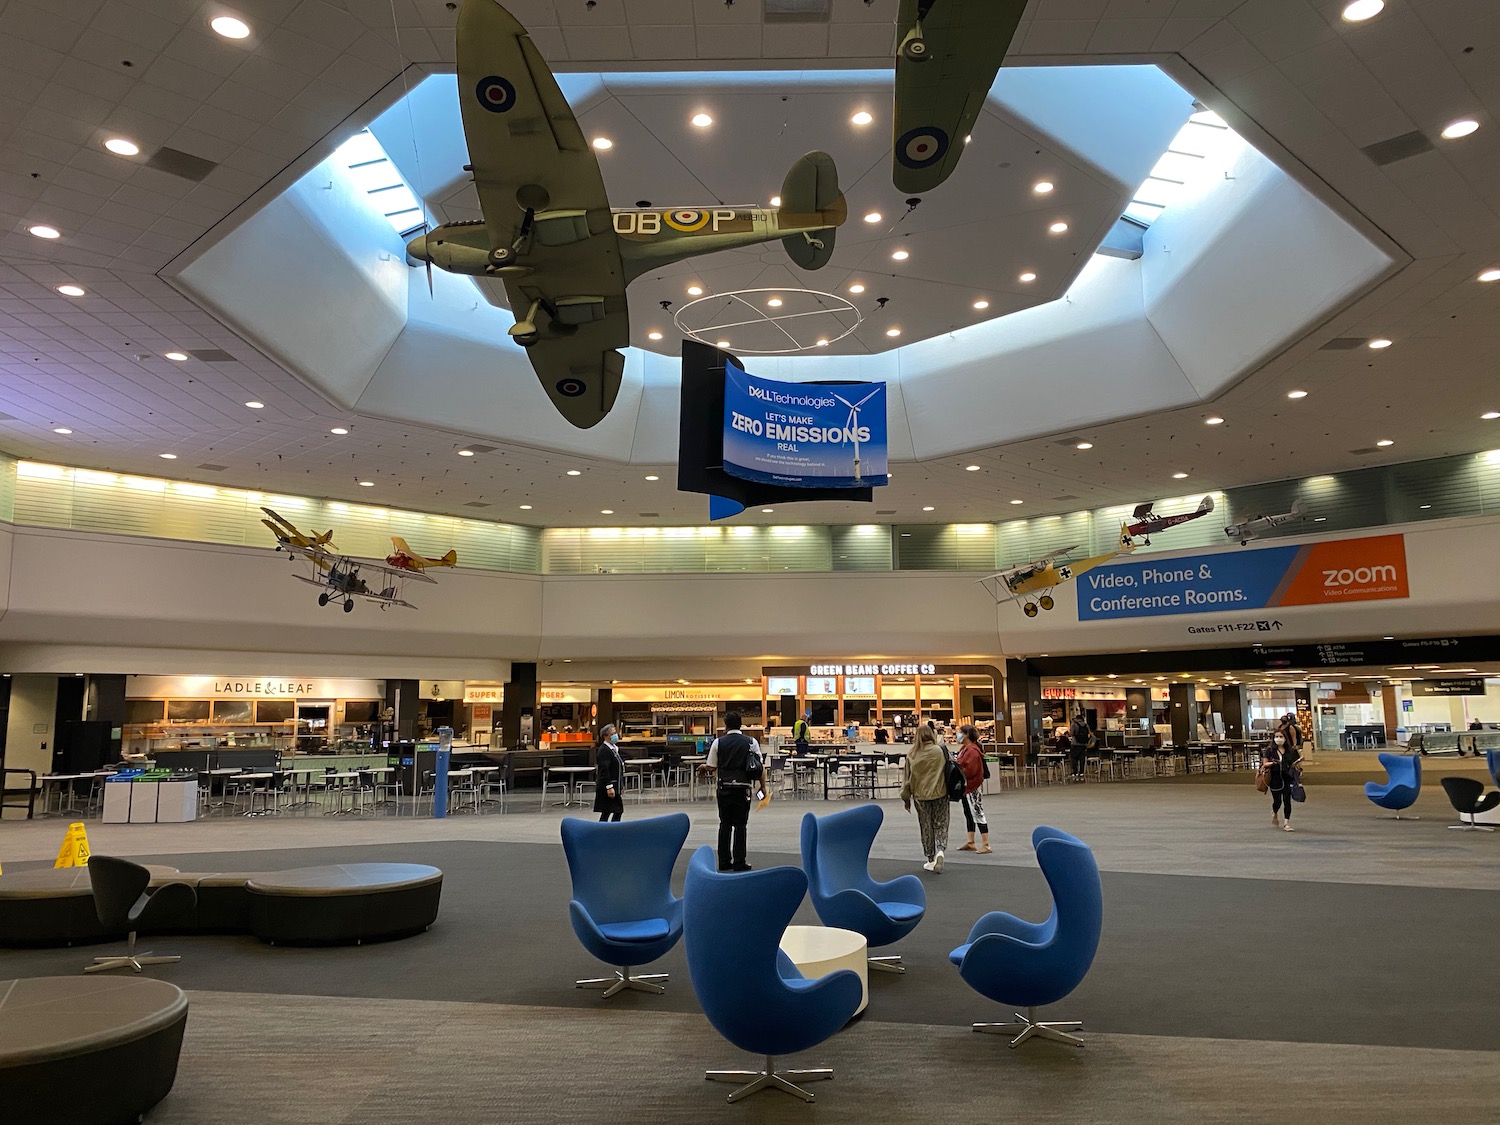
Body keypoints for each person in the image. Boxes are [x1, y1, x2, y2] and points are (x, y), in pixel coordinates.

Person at [700, 711, 763, 872]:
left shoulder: (718, 742)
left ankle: (724, 861)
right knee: (741, 826)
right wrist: (762, 786)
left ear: (726, 725)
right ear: (741, 724)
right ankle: (740, 862)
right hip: (743, 788)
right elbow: (759, 767)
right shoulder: (751, 742)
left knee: (725, 824)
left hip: (724, 787)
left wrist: (703, 767)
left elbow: (712, 766)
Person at [900, 723, 950, 872]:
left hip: (921, 796)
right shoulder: (939, 751)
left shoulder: (912, 755)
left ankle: (930, 857)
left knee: (926, 826)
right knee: (941, 823)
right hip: (940, 792)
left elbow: (908, 779)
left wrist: (906, 798)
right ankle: (940, 850)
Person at [954, 724, 991, 853]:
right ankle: (971, 841)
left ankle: (986, 843)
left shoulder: (972, 751)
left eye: (959, 733)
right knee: (969, 813)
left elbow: (970, 770)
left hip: (972, 786)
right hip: (966, 787)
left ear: (966, 735)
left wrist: (957, 771)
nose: (957, 735)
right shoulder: (965, 749)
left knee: (977, 812)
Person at [1265, 728, 1301, 831]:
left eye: (1281, 737)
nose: (1278, 739)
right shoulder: (1270, 750)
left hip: (1287, 777)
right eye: (1276, 737)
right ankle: (1275, 811)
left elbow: (1295, 763)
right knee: (1277, 801)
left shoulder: (1291, 751)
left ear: (1285, 738)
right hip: (1275, 778)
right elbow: (1265, 763)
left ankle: (1286, 823)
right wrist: (1272, 763)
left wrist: (1296, 765)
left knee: (1287, 800)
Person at [592, 723, 625, 822]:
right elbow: (604, 770)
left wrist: (621, 786)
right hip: (608, 786)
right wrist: (609, 787)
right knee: (616, 810)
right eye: (612, 733)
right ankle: (610, 830)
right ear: (606, 736)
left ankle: (605, 829)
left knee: (609, 811)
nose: (615, 735)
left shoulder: (614, 749)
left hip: (615, 785)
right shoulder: (604, 750)